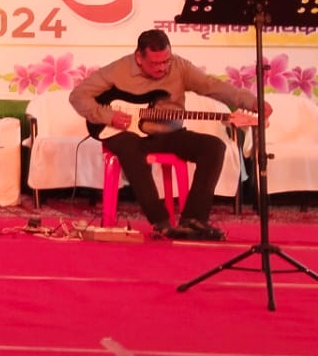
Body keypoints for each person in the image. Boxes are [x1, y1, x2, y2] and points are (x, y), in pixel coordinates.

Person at [68, 29, 269, 240]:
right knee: (129, 147)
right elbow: (78, 96)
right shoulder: (119, 70)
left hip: (167, 133)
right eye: (155, 64)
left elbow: (212, 86)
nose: (162, 68)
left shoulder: (180, 67)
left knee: (214, 147)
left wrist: (252, 102)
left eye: (166, 61)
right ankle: (160, 222)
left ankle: (193, 220)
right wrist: (108, 116)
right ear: (139, 57)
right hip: (125, 133)